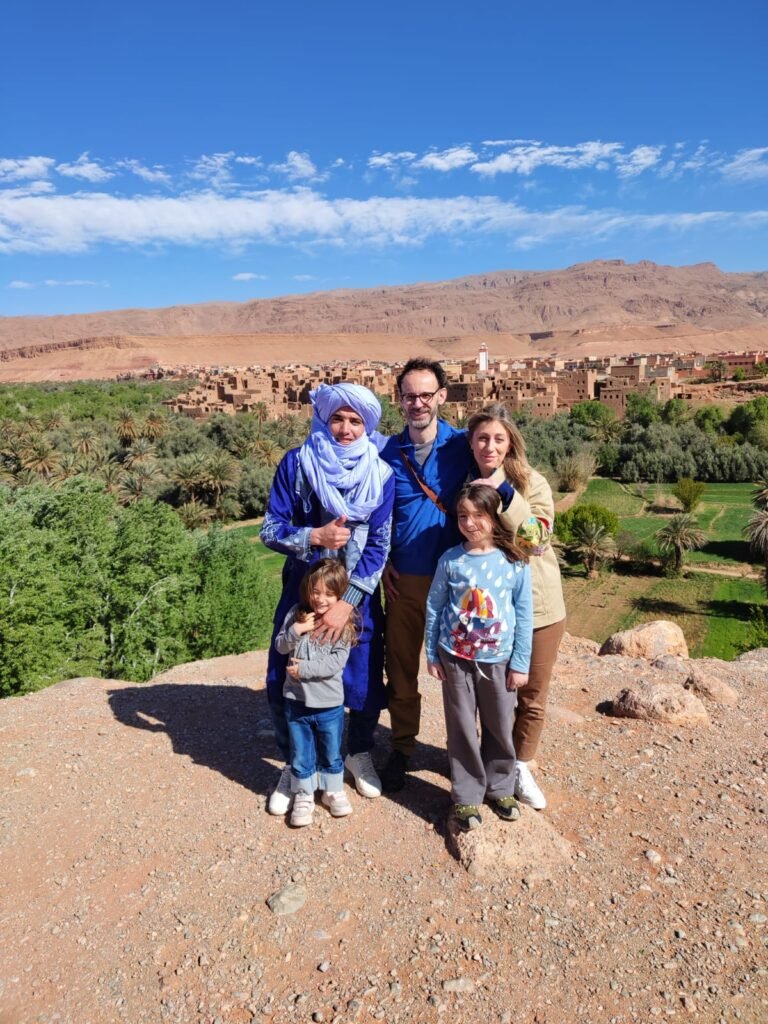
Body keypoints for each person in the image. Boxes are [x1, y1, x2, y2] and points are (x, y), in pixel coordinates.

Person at [261, 383, 394, 814]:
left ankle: (355, 753)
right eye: (337, 418)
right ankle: (298, 765)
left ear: (368, 424)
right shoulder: (298, 464)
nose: (346, 428)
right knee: (288, 672)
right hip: (303, 590)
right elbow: (269, 527)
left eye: (356, 421)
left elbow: (379, 544)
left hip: (356, 599)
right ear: (323, 418)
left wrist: (348, 601)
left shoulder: (381, 473)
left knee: (361, 675)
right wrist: (312, 536)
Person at [379, 358, 473, 791]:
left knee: (461, 673)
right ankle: (402, 747)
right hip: (405, 582)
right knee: (401, 669)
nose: (418, 403)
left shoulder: (464, 446)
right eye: (409, 396)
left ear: (441, 396)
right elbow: (369, 518)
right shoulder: (387, 454)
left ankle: (463, 756)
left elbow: (503, 480)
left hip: (456, 581)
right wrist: (380, 565)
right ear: (400, 401)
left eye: (425, 395)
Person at [467, 404, 566, 810]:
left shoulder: (531, 483)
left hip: (540, 608)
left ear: (511, 443)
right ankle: (493, 766)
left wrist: (505, 494)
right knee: (491, 695)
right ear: (472, 443)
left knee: (532, 694)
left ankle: (521, 765)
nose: (490, 446)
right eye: (482, 438)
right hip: (490, 612)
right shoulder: (466, 484)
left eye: (498, 439)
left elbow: (536, 541)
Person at [425, 483, 533, 830]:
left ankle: (500, 787)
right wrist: (431, 653)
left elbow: (524, 614)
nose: (470, 523)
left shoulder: (514, 562)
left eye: (479, 515)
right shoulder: (450, 560)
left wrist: (520, 663)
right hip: (454, 658)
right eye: (463, 516)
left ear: (493, 517)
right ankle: (467, 796)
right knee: (461, 728)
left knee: (501, 725)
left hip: (499, 660)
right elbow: (434, 607)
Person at [274, 559, 358, 827]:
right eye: (316, 592)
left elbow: (336, 663)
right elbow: (280, 647)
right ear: (307, 590)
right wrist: (296, 631)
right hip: (296, 701)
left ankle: (332, 790)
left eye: (329, 594)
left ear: (340, 595)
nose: (321, 599)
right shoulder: (296, 615)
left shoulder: (343, 625)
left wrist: (305, 670)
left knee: (331, 750)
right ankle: (304, 794)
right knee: (301, 752)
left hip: (329, 704)